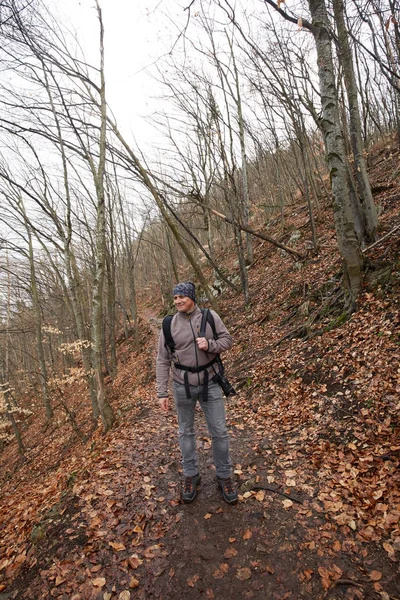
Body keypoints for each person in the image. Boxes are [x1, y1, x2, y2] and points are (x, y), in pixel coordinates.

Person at [156, 281, 238, 505]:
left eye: (182, 296)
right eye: (175, 298)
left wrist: (210, 344)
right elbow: (163, 360)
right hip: (181, 385)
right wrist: (161, 392)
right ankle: (191, 474)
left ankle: (224, 476)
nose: (178, 301)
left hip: (210, 382)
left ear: (192, 297)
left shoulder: (210, 317)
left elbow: (227, 340)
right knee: (186, 432)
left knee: (219, 432)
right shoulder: (169, 324)